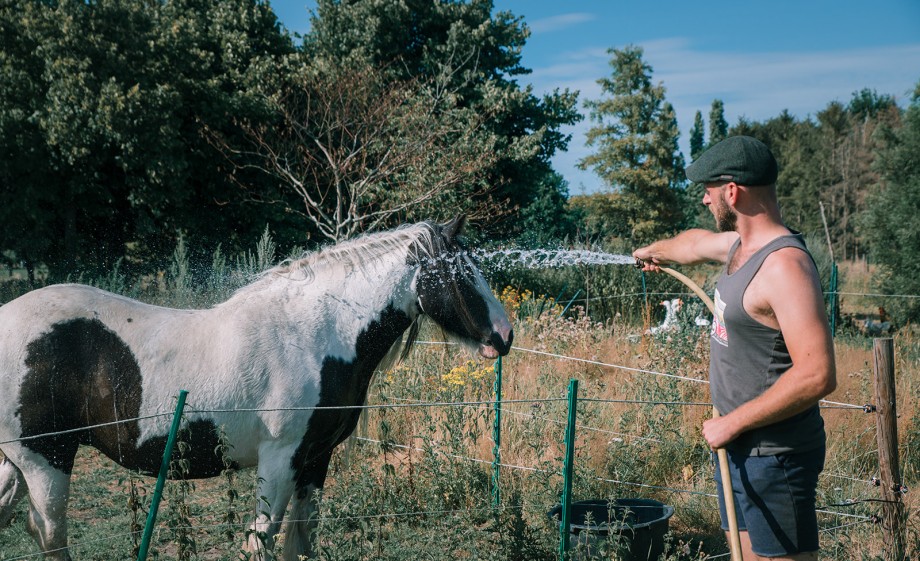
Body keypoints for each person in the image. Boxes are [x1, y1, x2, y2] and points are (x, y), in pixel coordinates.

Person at [633, 135, 837, 561]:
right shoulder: (738, 248)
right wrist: (655, 252)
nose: (705, 200)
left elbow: (817, 373)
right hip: (737, 448)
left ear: (732, 190)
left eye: (709, 189)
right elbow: (691, 244)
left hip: (775, 456)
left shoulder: (784, 267)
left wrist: (733, 423)